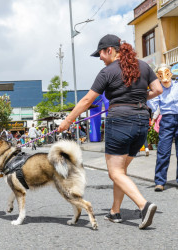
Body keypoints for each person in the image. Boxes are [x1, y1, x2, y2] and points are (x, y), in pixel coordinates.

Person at [57, 34, 163, 229]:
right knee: (120, 172)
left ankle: (143, 205)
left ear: (110, 50)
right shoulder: (144, 66)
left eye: (100, 53)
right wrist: (137, 96)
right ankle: (115, 212)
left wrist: (67, 121)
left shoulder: (107, 72)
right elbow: (157, 90)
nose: (99, 58)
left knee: (115, 173)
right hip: (141, 121)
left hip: (120, 121)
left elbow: (87, 101)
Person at [147, 63, 178, 192]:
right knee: (163, 151)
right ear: (157, 76)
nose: (165, 76)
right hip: (167, 120)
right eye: (160, 74)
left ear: (171, 73)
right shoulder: (158, 90)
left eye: (167, 72)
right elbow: (152, 104)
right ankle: (160, 181)